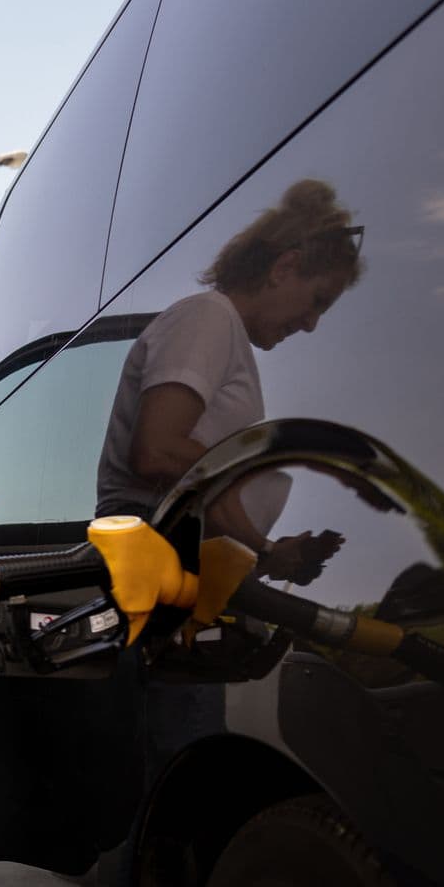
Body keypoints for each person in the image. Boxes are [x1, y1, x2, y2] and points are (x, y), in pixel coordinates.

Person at [96, 178, 367, 583]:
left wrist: (267, 553)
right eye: (318, 300)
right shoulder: (208, 316)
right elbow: (158, 452)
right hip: (157, 557)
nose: (312, 324)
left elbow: (196, 479)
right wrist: (264, 547)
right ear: (284, 267)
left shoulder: (224, 332)